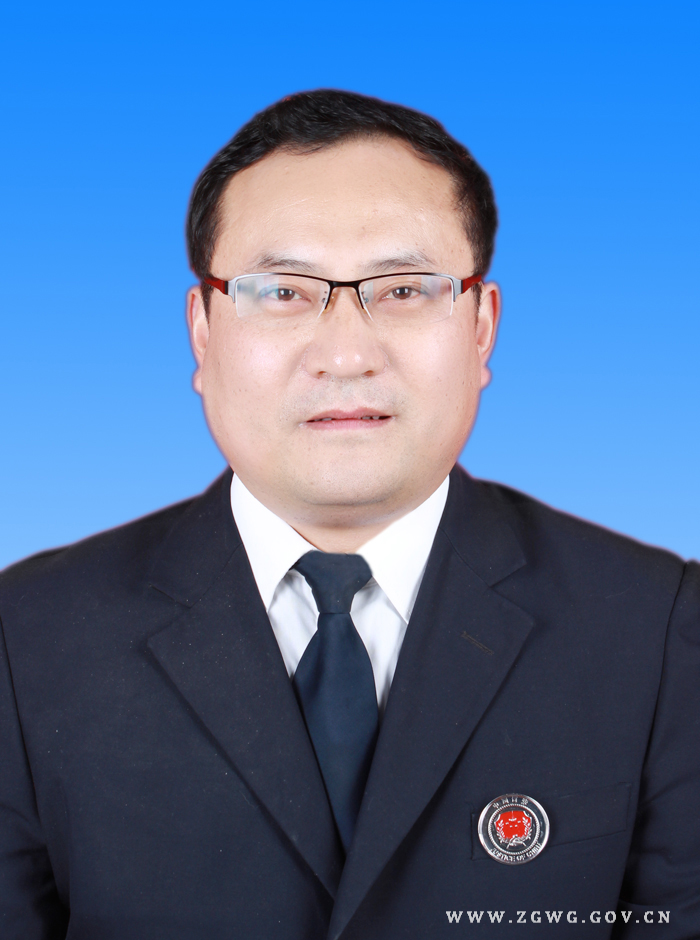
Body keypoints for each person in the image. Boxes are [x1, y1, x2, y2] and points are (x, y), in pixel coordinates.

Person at [0, 89, 698, 940]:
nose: (345, 353)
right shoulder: (26, 637)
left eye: (403, 289)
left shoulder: (659, 629)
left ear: (482, 329)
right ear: (202, 333)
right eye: (282, 291)